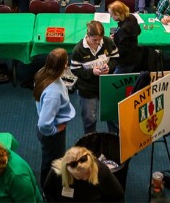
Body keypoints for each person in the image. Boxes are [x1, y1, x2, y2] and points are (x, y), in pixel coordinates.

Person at [34, 48, 76, 185]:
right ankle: (48, 188)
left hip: (48, 131)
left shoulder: (42, 73)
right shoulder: (54, 93)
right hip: (52, 134)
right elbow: (44, 124)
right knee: (53, 162)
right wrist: (55, 130)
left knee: (49, 159)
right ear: (64, 65)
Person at [69, 21, 119, 134]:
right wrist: (92, 72)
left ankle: (115, 139)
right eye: (94, 40)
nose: (97, 43)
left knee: (112, 115)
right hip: (87, 89)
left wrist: (109, 67)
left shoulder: (107, 42)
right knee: (89, 118)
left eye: (99, 40)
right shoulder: (78, 50)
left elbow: (116, 58)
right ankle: (91, 140)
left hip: (106, 85)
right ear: (88, 35)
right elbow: (75, 70)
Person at [43, 146, 125, 202]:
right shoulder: (57, 173)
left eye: (88, 172)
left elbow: (118, 197)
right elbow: (48, 194)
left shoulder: (101, 171)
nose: (86, 177)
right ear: (69, 173)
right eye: (81, 176)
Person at [109, 1, 142, 73]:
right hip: (134, 53)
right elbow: (138, 31)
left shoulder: (123, 30)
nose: (111, 17)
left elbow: (121, 50)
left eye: (112, 15)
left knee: (115, 79)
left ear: (118, 15)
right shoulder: (132, 17)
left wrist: (114, 41)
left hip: (125, 61)